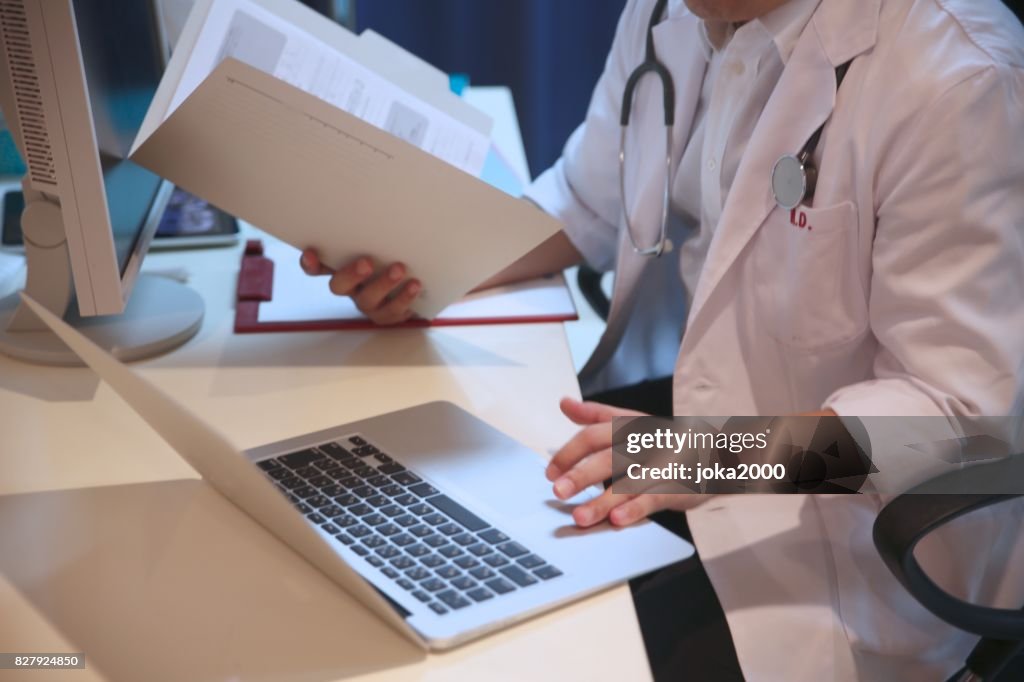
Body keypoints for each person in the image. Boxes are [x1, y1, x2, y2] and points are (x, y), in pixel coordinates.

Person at [301, 0, 1024, 678]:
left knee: (537, 656)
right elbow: (588, 200)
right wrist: (427, 268)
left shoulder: (962, 78)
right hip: (703, 433)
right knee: (428, 549)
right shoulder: (675, 13)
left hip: (858, 547)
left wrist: (707, 453)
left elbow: (951, 418)